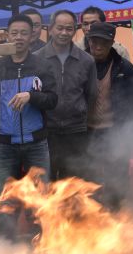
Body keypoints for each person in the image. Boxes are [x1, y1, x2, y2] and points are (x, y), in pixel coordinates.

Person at [0, 14, 58, 241]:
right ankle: (7, 242)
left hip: (36, 142)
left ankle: (41, 240)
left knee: (39, 195)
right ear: (7, 35)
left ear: (32, 35)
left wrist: (31, 96)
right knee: (7, 198)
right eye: (14, 33)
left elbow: (53, 100)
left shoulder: (42, 65)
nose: (18, 38)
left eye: (24, 33)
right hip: (4, 143)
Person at [35, 10, 98, 180]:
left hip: (76, 130)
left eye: (69, 29)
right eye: (60, 28)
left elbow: (91, 94)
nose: (64, 33)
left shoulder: (86, 60)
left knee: (72, 180)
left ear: (75, 30)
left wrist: (81, 114)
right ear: (50, 29)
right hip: (46, 130)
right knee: (46, 180)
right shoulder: (36, 59)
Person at [84, 22, 133, 208]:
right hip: (87, 131)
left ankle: (117, 214)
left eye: (104, 43)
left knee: (117, 176)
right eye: (94, 41)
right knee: (89, 177)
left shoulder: (124, 67)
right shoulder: (80, 65)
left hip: (115, 130)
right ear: (88, 40)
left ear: (112, 43)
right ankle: (92, 216)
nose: (98, 46)